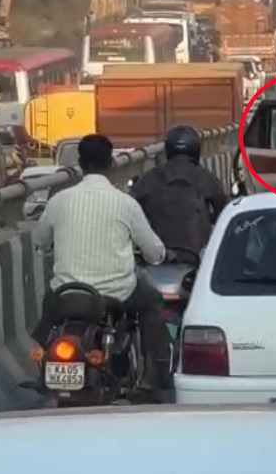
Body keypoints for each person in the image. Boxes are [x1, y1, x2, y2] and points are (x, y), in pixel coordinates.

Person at [31, 134, 170, 397]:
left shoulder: (59, 200)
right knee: (152, 301)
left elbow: (40, 242)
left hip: (67, 294)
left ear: (80, 163)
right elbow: (153, 251)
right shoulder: (125, 203)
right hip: (116, 293)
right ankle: (151, 374)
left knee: (47, 305)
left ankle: (42, 365)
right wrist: (159, 256)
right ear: (111, 164)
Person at [131, 125, 229, 253]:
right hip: (195, 254)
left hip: (156, 256)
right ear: (196, 149)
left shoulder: (151, 176)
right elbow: (224, 209)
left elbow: (131, 206)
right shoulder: (204, 177)